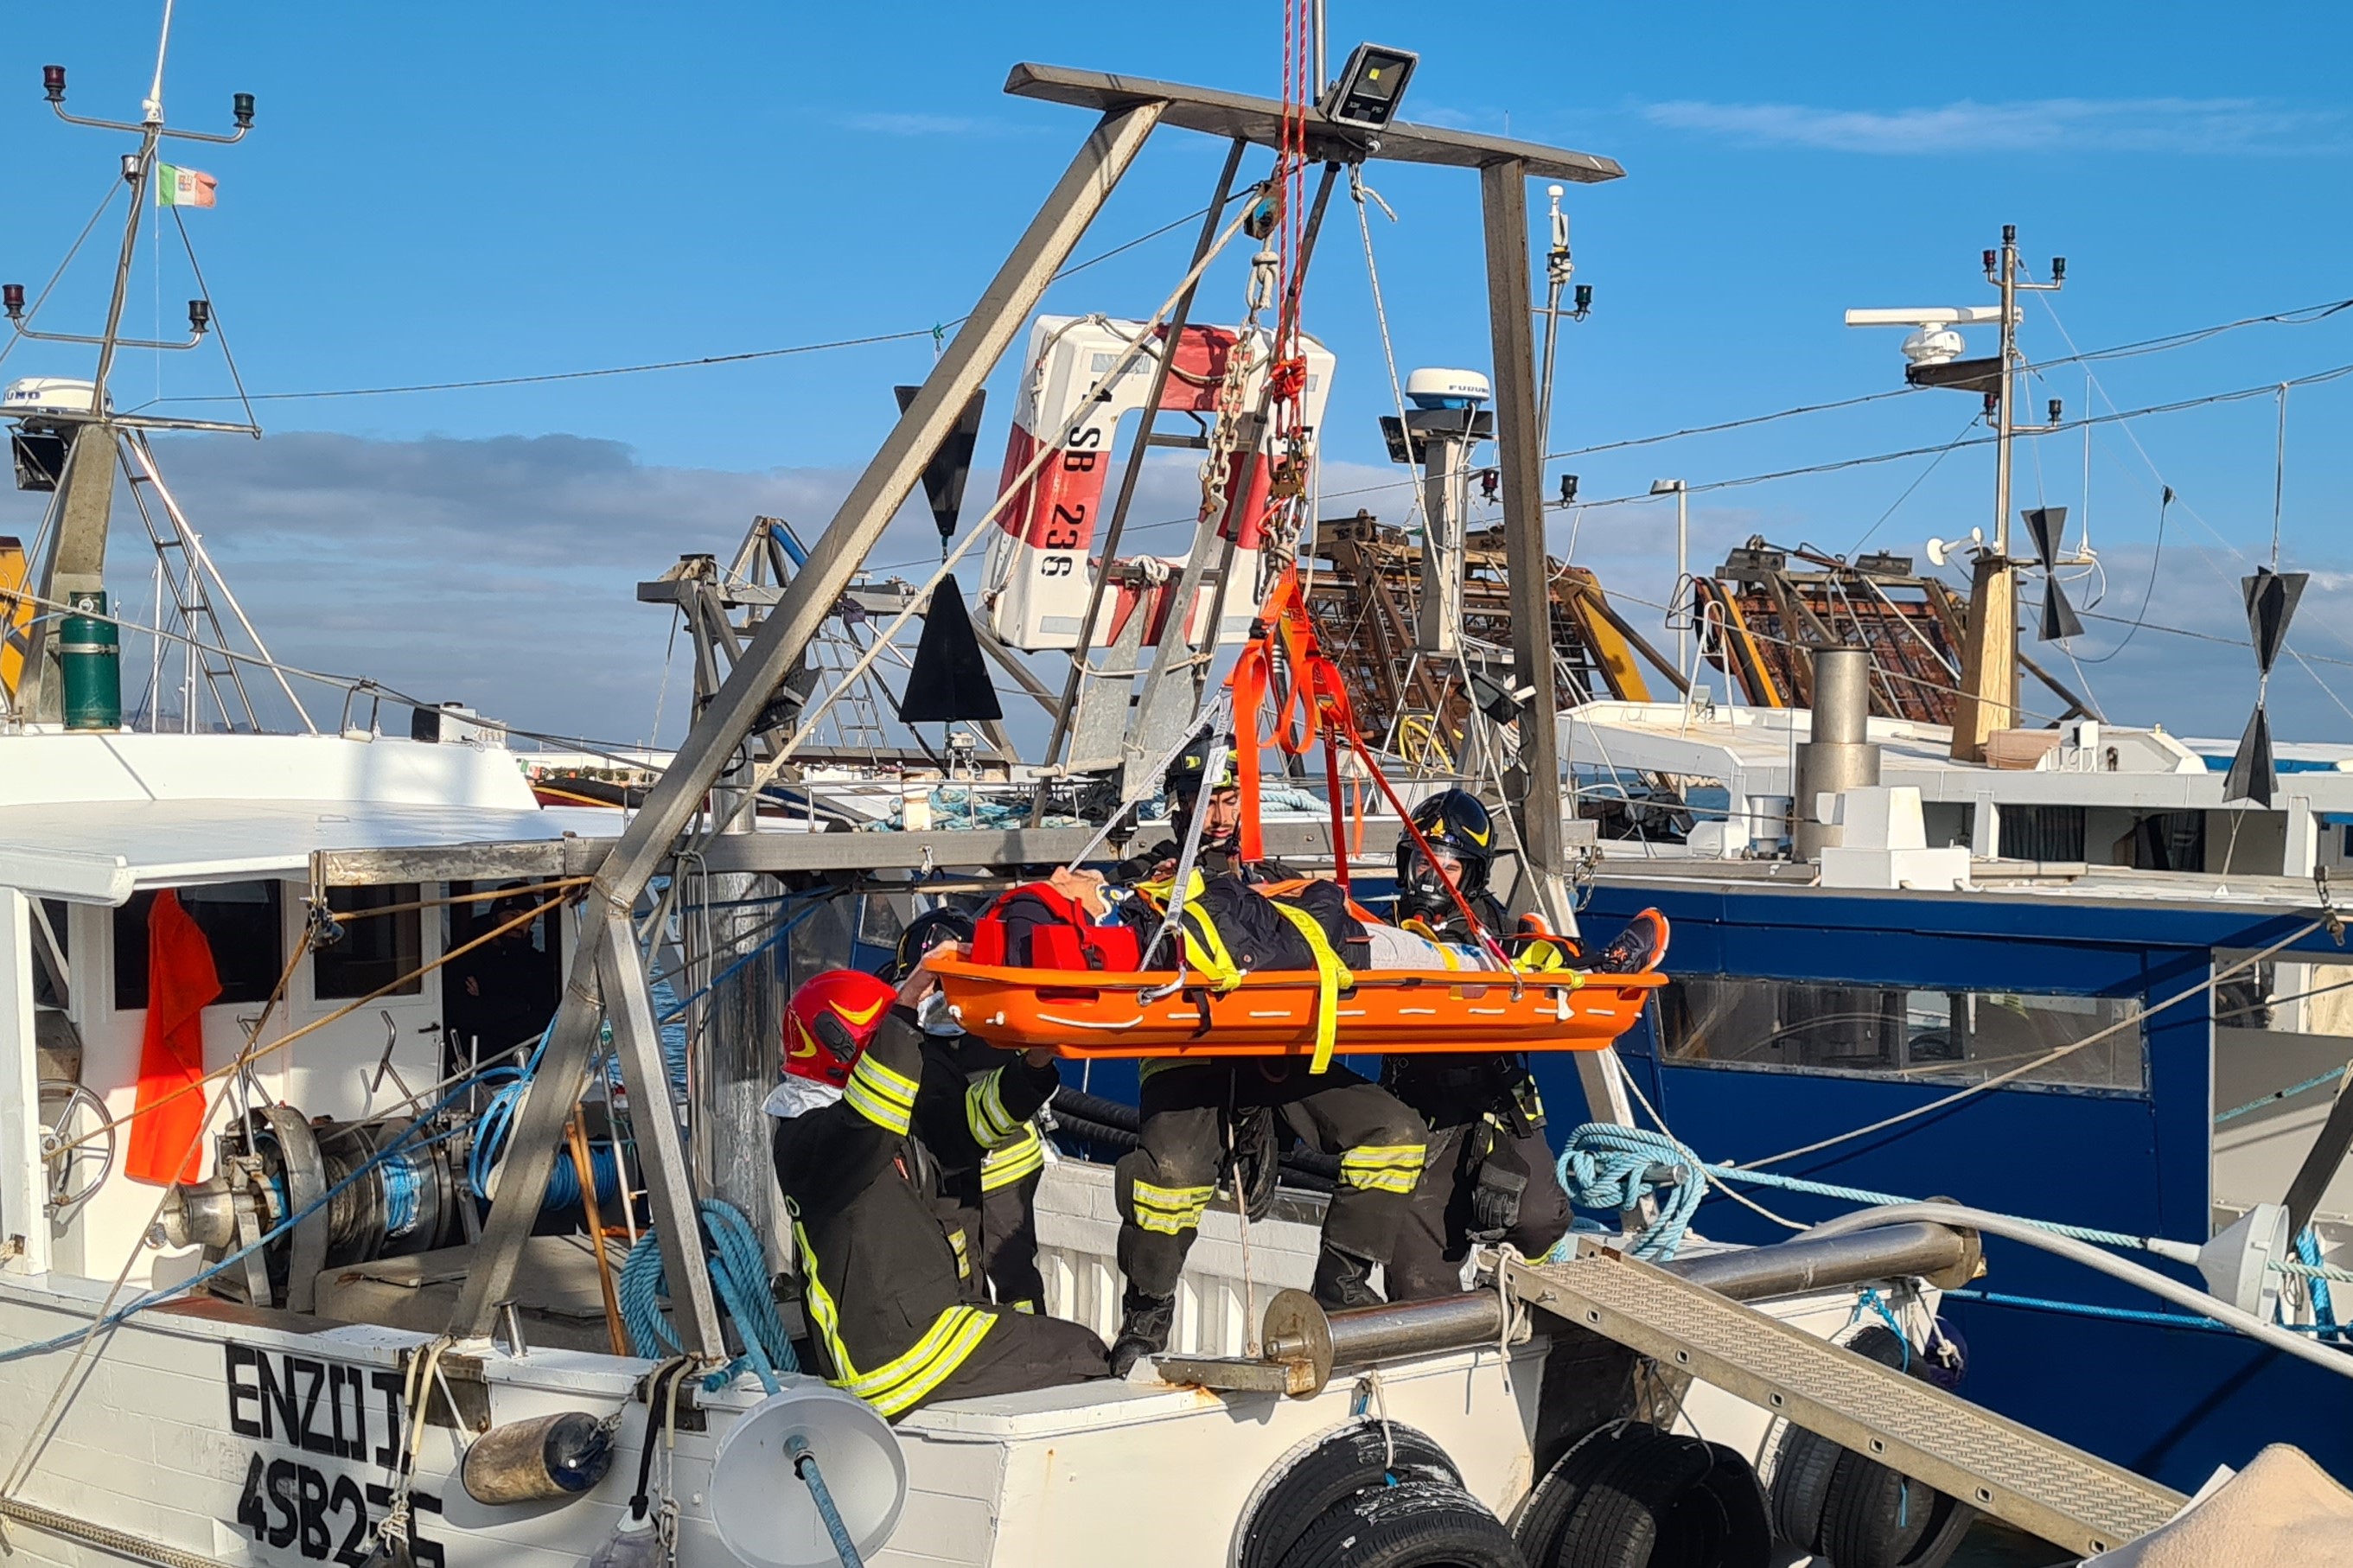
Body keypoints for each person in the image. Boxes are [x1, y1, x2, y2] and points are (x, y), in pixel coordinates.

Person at [1060, 751, 1427, 1375]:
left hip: (1275, 1052)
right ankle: (1146, 1320)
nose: (1222, 816)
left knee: (1393, 1133)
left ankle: (1339, 1288)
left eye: (1232, 800)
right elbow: (1105, 929)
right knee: (1167, 1178)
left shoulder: (1275, 879)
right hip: (1187, 1057)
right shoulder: (1147, 880)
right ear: (1179, 804)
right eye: (1209, 801)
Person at [768, 966, 1110, 1418]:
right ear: (842, 1046)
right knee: (1083, 1354)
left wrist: (1034, 1065)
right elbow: (866, 1125)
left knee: (1060, 1345)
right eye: (882, 1037)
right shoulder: (808, 1141)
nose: (914, 1051)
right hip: (896, 1356)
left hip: (928, 1329)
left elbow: (963, 1131)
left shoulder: (884, 1117)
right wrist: (906, 1002)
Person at [1379, 789, 1574, 1300]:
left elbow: (1554, 963)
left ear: (1473, 873)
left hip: (1498, 1100)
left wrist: (1599, 961)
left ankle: (1536, 1288)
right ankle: (1427, 1361)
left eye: (1447, 866)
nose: (1431, 878)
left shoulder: (1501, 935)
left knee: (1538, 1218)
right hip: (1423, 1110)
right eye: (1423, 863)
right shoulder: (1382, 931)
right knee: (1415, 1275)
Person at [890, 908, 1051, 1314]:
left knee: (1011, 1272)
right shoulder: (922, 1038)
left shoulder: (991, 1026)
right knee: (966, 1268)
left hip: (1004, 1167)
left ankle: (1025, 1344)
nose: (933, 1000)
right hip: (954, 1172)